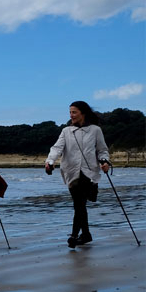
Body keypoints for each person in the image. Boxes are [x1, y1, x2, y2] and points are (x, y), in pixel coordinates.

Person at [45, 101, 110, 248]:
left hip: (89, 172)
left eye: (74, 112)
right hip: (71, 172)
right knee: (79, 204)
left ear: (83, 113)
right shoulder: (66, 131)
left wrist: (105, 161)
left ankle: (74, 235)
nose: (71, 115)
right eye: (70, 112)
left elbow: (102, 150)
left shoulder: (95, 130)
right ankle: (86, 234)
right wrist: (50, 161)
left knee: (79, 204)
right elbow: (56, 148)